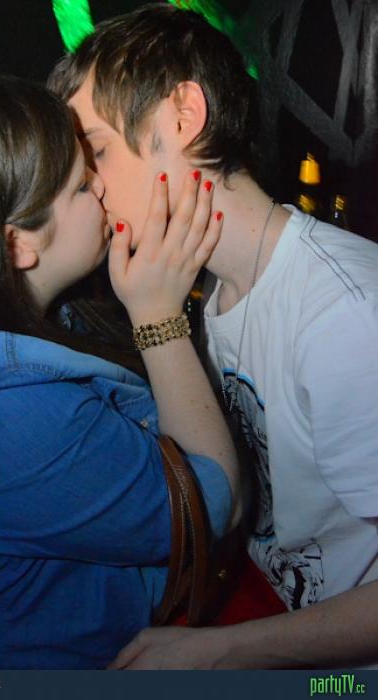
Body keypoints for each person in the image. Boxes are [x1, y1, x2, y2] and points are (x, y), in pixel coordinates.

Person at [48, 2, 378, 668]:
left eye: (97, 151)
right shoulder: (217, 292)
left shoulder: (344, 316)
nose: (87, 186)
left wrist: (219, 653)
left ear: (182, 116)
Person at [0, 75, 240, 669]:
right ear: (17, 244)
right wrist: (157, 315)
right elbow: (212, 504)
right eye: (80, 185)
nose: (103, 185)